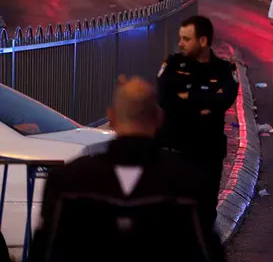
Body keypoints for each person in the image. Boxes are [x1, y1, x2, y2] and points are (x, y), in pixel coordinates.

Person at [29, 76, 226, 262]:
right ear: (158, 118)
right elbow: (208, 252)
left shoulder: (68, 180)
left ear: (112, 118)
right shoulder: (188, 182)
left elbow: (44, 251)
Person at [157, 16, 239, 218]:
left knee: (205, 211)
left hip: (207, 154)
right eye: (180, 38)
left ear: (203, 41)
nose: (180, 43)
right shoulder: (173, 64)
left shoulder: (224, 70)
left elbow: (224, 100)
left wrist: (188, 97)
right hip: (175, 150)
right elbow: (164, 99)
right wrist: (201, 106)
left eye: (186, 39)